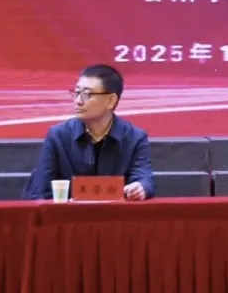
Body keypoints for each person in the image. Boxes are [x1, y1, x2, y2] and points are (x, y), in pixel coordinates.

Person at [24, 64, 153, 200]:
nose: (78, 101)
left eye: (87, 94)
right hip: (68, 212)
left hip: (114, 212)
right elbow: (40, 189)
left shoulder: (135, 138)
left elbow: (144, 179)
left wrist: (140, 187)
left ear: (110, 100)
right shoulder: (58, 135)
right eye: (77, 93)